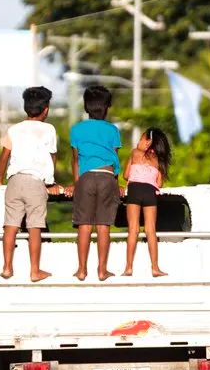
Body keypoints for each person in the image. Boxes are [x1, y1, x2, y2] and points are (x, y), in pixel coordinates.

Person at [0, 86, 65, 282]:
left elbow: (3, 157)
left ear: (25, 108)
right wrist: (50, 181)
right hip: (35, 182)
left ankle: (6, 267)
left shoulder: (13, 129)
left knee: (10, 225)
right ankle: (35, 270)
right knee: (35, 226)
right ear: (46, 109)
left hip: (14, 180)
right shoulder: (49, 129)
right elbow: (52, 157)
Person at [67, 86, 122, 282]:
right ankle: (102, 269)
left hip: (86, 177)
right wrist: (117, 184)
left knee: (84, 225)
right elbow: (114, 157)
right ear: (107, 107)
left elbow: (75, 159)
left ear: (86, 106)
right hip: (107, 177)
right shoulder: (113, 129)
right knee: (103, 224)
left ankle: (81, 270)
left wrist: (76, 183)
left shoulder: (77, 129)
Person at [122, 127, 173, 278]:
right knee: (150, 230)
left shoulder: (134, 153)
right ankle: (155, 268)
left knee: (133, 229)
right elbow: (160, 183)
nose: (138, 141)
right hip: (150, 193)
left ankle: (129, 267)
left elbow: (126, 175)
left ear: (148, 141)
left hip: (134, 190)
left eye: (141, 138)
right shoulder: (158, 160)